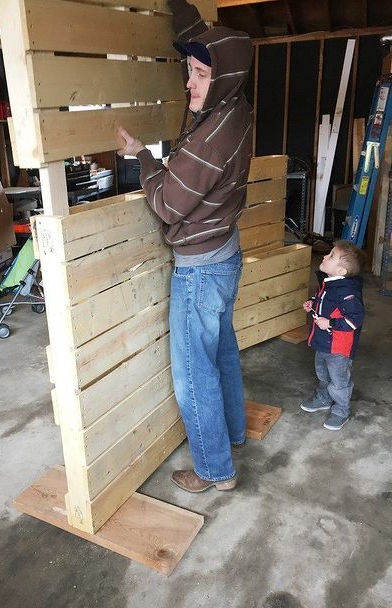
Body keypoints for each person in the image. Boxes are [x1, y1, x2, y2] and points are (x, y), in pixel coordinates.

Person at [116, 0, 253, 492]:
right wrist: (176, 7)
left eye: (199, 73)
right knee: (222, 355)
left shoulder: (211, 136)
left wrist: (142, 159)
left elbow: (170, 204)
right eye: (188, 70)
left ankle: (215, 470)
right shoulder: (232, 103)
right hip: (224, 253)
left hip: (199, 269)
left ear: (224, 75)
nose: (190, 83)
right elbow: (201, 35)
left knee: (192, 375)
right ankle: (233, 435)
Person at [300, 240, 366, 431]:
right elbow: (325, 302)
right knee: (322, 373)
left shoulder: (347, 291)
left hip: (338, 347)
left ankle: (341, 410)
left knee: (338, 381)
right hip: (323, 342)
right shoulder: (330, 283)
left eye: (331, 256)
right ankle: (323, 399)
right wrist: (312, 302)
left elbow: (355, 319)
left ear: (341, 271)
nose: (324, 256)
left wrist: (330, 323)